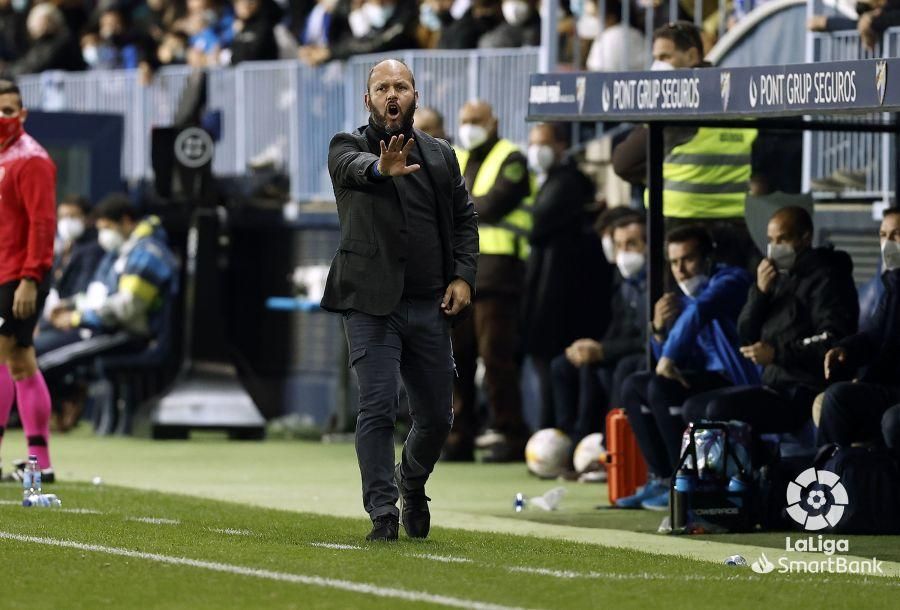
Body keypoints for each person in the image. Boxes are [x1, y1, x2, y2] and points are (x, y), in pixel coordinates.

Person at [322, 59, 478, 541]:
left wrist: (464, 276)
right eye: (383, 88)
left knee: (436, 417)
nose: (393, 95)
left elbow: (464, 220)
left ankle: (411, 481)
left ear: (415, 95)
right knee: (377, 406)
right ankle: (383, 514)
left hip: (430, 303)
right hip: (371, 304)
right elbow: (353, 170)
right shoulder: (346, 146)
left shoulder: (440, 154)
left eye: (402, 87)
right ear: (368, 100)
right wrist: (379, 169)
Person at [683, 207, 858, 439]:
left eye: (782, 239)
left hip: (805, 389)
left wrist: (777, 354)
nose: (775, 247)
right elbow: (745, 334)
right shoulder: (778, 277)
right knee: (693, 407)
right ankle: (713, 473)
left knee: (720, 410)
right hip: (773, 384)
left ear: (805, 237)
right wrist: (760, 292)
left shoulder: (828, 277)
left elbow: (832, 339)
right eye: (771, 240)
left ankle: (749, 473)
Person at [617, 225, 756, 510]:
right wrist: (657, 331)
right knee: (633, 385)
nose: (680, 270)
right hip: (704, 376)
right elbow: (674, 362)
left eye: (688, 259)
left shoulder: (731, 280)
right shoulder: (682, 298)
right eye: (674, 262)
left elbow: (700, 311)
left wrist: (667, 355)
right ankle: (661, 477)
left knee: (659, 386)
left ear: (708, 258)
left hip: (735, 377)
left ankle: (682, 481)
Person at [611, 20, 758, 270]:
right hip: (734, 223)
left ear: (691, 55)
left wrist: (657, 172)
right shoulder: (736, 92)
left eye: (665, 56)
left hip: (682, 226)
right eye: (655, 57)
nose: (658, 65)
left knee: (678, 304)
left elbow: (623, 162)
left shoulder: (682, 104)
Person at [449, 98, 532, 462]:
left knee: (495, 359)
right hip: (457, 274)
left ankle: (509, 434)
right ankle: (458, 436)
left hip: (498, 276)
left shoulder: (512, 158)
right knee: (456, 360)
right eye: (465, 120)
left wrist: (455, 204)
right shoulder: (456, 157)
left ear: (493, 121)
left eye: (476, 119)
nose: (469, 126)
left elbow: (492, 204)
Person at [522, 122, 608, 429]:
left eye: (542, 143)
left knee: (554, 365)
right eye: (532, 143)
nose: (535, 151)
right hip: (550, 289)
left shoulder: (566, 182)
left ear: (561, 145)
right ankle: (553, 428)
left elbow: (538, 224)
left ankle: (555, 429)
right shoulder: (551, 181)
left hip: (559, 295)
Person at [549, 211, 647, 447]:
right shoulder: (623, 278)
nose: (624, 252)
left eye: (632, 244)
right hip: (623, 349)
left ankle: (608, 446)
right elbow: (618, 327)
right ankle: (570, 441)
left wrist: (603, 351)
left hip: (642, 355)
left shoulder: (657, 281)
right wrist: (592, 347)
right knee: (563, 365)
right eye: (619, 245)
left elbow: (647, 338)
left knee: (609, 365)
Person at [0, 79, 57, 482]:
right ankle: (40, 464)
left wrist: (31, 279)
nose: (5, 118)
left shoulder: (31, 159)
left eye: (11, 110)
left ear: (23, 114)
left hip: (19, 276)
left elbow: (42, 223)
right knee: (20, 363)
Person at [817, 208, 900, 448]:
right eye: (883, 235)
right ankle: (827, 478)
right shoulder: (893, 285)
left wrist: (866, 377)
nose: (887, 243)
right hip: (889, 387)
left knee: (892, 420)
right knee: (837, 397)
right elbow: (874, 335)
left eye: (896, 235)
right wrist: (844, 349)